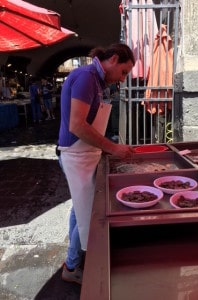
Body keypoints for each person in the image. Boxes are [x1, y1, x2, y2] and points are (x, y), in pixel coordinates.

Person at [57, 43, 135, 285]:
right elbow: (77, 126)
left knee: (78, 210)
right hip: (76, 155)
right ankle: (72, 266)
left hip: (87, 153)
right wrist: (113, 148)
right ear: (112, 59)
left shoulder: (98, 83)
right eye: (123, 72)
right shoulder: (86, 77)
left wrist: (104, 148)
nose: (122, 80)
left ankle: (72, 260)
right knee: (86, 212)